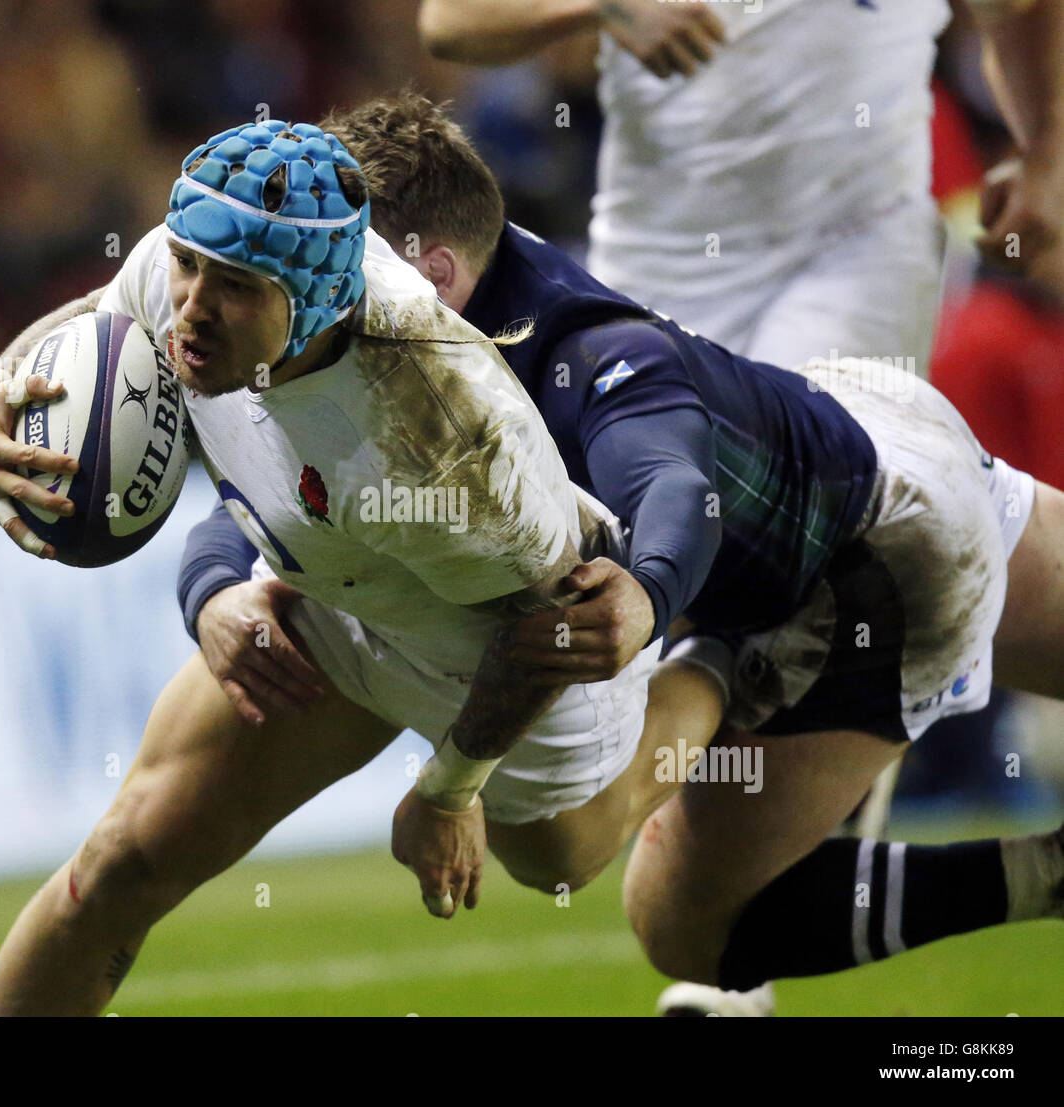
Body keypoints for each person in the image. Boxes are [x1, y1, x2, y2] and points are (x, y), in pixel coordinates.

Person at [180, 93, 1064, 1011]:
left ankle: (1045, 872)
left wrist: (647, 592)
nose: (320, 284)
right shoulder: (422, 318)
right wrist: (211, 584)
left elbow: (675, 485)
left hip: (876, 554)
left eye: (342, 261)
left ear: (430, 270)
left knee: (685, 927)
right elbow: (284, 472)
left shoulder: (575, 350)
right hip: (852, 424)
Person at [0, 115, 727, 1015]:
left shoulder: (442, 432)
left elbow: (549, 623)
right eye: (188, 264)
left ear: (313, 300)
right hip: (336, 600)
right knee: (126, 854)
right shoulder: (189, 262)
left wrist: (449, 787)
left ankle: (719, 666)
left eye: (235, 287)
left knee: (560, 861)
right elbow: (93, 326)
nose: (190, 307)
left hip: (507, 654)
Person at [418, 0, 1064, 1014]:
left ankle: (751, 929)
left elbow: (1017, 6)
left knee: (807, 560)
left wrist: (1047, 149)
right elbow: (451, 21)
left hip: (854, 253)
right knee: (750, 597)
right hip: (654, 273)